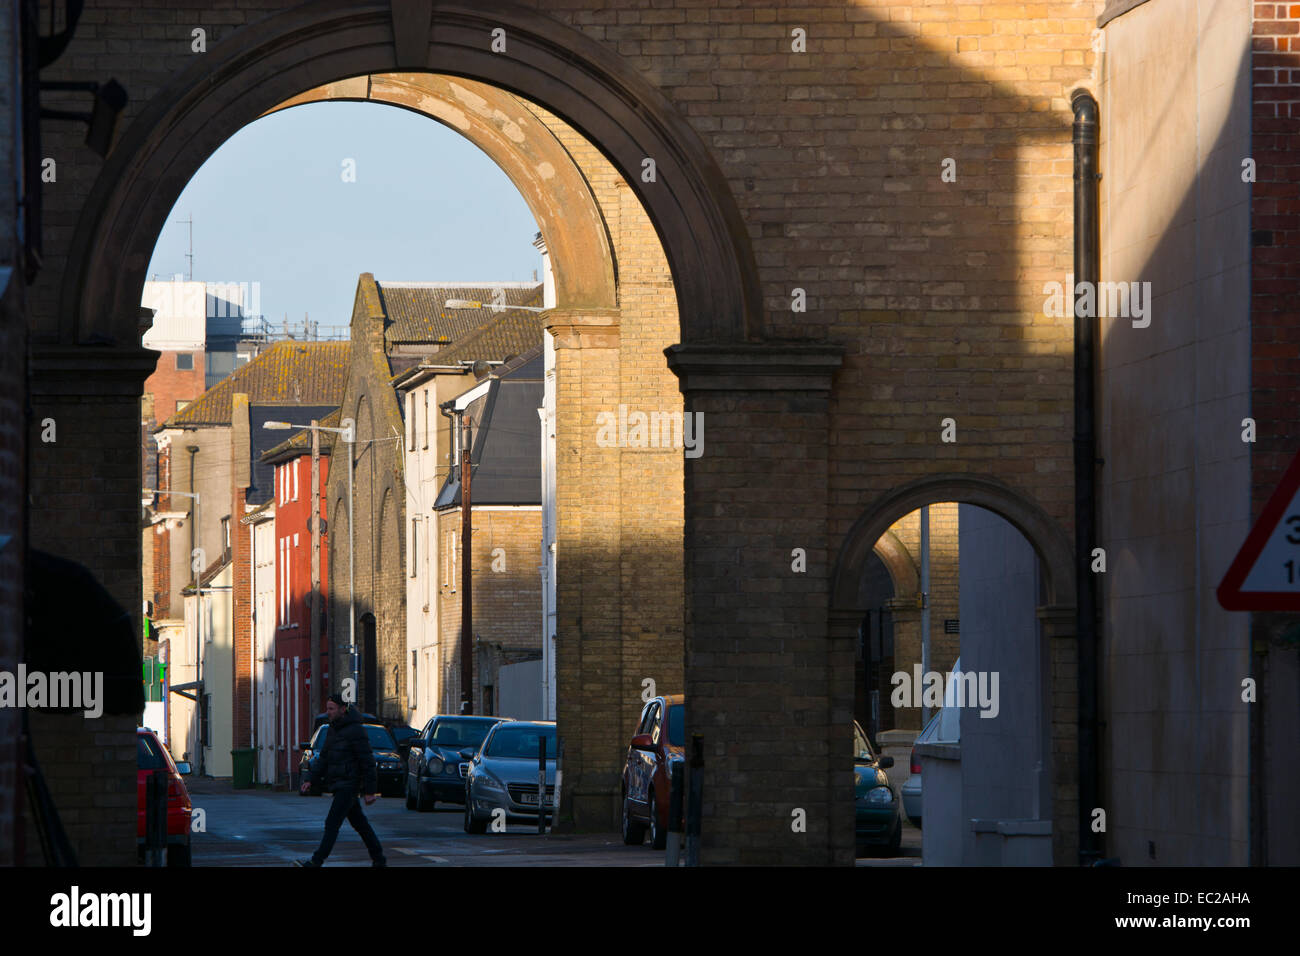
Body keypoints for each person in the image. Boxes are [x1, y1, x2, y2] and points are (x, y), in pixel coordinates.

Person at [295, 694, 387, 866]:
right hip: (339, 785)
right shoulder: (332, 729)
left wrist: (369, 791)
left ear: (342, 709)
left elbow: (367, 761)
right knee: (361, 826)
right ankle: (379, 860)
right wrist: (310, 779)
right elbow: (324, 758)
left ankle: (316, 861)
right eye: (327, 708)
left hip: (349, 785)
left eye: (331, 709)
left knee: (332, 823)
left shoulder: (356, 730)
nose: (327, 712)